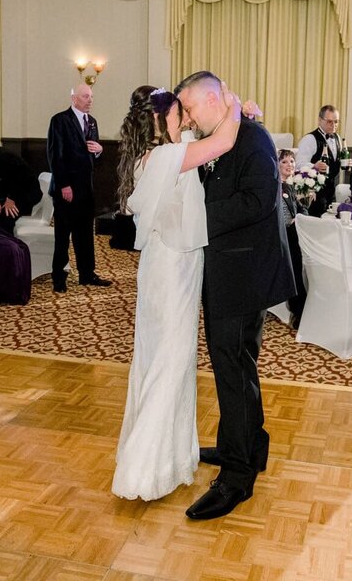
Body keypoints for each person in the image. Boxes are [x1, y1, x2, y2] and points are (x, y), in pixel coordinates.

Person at [111, 84, 242, 502]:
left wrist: (199, 112)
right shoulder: (167, 157)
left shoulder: (156, 155)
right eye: (176, 114)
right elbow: (223, 140)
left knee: (169, 362)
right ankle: (143, 469)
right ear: (156, 120)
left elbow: (196, 133)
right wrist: (234, 104)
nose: (183, 120)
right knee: (170, 363)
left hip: (169, 267)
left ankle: (170, 461)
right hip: (172, 271)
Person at [174, 71, 296, 521]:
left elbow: (258, 201)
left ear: (213, 98)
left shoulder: (252, 139)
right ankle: (246, 445)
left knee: (233, 369)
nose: (186, 117)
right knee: (237, 366)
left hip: (244, 274)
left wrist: (193, 214)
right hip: (232, 271)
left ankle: (237, 477)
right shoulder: (226, 137)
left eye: (189, 107)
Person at [46, 83, 111, 292]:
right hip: (66, 189)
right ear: (74, 98)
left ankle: (86, 273)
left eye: (91, 97)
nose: (90, 100)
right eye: (85, 96)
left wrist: (100, 150)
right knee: (63, 236)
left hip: (86, 189)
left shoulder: (92, 122)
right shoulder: (59, 120)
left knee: (85, 235)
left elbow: (94, 159)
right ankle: (59, 278)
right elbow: (55, 155)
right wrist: (64, 184)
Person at [0, 147, 40, 305]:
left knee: (4, 220)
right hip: (4, 196)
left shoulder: (3, 157)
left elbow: (23, 178)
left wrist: (11, 198)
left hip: (25, 194)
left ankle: (6, 274)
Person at [295, 105, 343, 218]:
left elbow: (335, 162)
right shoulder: (310, 139)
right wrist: (314, 166)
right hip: (314, 192)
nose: (333, 125)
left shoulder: (338, 138)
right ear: (320, 120)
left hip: (331, 191)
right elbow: (299, 163)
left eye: (336, 122)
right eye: (330, 122)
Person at [278, 149, 306, 324]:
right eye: (284, 162)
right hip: (282, 236)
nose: (290, 165)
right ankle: (299, 310)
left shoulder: (289, 186)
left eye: (292, 161)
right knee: (298, 263)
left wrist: (301, 217)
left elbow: (300, 208)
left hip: (294, 232)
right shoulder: (274, 186)